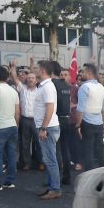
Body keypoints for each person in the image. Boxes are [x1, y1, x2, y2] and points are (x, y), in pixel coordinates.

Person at [33, 60, 61, 200]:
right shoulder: (44, 86)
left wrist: (43, 128)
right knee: (49, 158)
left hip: (48, 127)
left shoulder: (48, 87)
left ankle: (55, 189)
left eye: (37, 68)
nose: (36, 71)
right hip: (47, 126)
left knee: (50, 159)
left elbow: (50, 108)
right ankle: (51, 186)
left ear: (43, 70)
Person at [74, 64, 104, 171]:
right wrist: (103, 124)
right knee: (100, 150)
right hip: (98, 123)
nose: (80, 74)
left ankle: (89, 174)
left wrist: (78, 125)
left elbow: (80, 109)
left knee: (87, 151)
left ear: (89, 73)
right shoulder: (102, 88)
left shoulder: (84, 87)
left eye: (83, 72)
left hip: (87, 123)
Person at [16, 69, 39, 171]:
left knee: (39, 143)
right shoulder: (23, 89)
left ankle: (41, 162)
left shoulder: (40, 91)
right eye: (29, 77)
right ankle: (27, 163)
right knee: (25, 143)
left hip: (36, 120)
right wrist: (13, 67)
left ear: (36, 80)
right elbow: (15, 79)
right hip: (25, 120)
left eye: (32, 78)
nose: (30, 79)